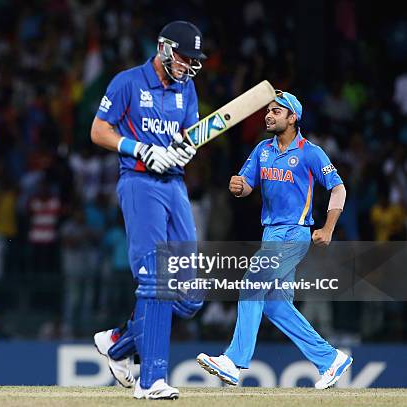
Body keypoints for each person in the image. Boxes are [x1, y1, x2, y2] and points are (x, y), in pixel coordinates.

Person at [196, 90, 352, 390]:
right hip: (270, 234)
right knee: (276, 306)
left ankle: (234, 360)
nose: (269, 115)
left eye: (277, 111)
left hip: (294, 233)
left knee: (252, 282)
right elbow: (246, 187)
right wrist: (238, 186)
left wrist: (329, 227)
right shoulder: (262, 150)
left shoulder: (310, 152)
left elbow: (338, 189)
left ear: (293, 118)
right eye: (268, 110)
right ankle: (329, 359)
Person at [90, 21, 205, 400]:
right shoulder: (128, 82)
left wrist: (186, 149)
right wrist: (138, 148)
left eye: (193, 60)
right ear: (164, 49)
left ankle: (120, 342)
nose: (188, 66)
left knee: (190, 296)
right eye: (185, 57)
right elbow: (98, 130)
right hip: (139, 184)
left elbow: (189, 134)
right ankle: (150, 379)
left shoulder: (186, 88)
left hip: (175, 185)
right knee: (157, 280)